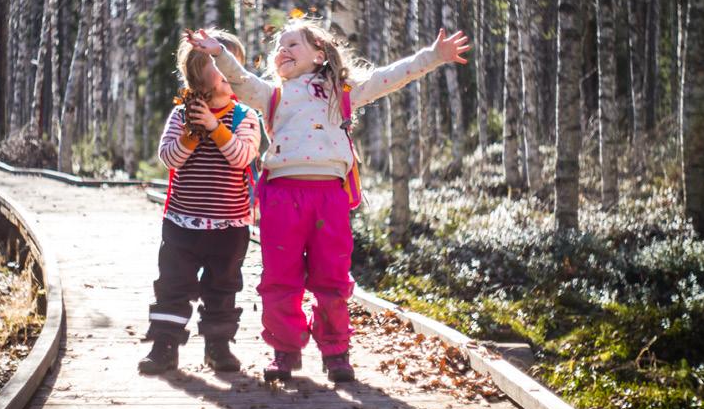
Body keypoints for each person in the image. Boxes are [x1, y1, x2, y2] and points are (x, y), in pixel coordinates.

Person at [187, 22, 469, 382]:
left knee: (332, 278)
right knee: (279, 278)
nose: (283, 50)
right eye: (279, 47)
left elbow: (388, 77)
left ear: (319, 55)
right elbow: (239, 78)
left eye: (293, 44)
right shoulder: (271, 94)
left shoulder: (340, 92)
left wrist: (433, 56)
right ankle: (285, 352)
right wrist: (218, 52)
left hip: (329, 199)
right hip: (282, 198)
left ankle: (336, 352)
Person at [138, 29, 262, 374]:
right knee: (173, 285)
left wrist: (216, 128)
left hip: (229, 226)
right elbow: (170, 159)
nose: (233, 69)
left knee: (222, 288)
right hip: (182, 222)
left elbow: (242, 157)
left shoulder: (244, 117)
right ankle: (164, 346)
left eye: (234, 62)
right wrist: (193, 135)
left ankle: (218, 347)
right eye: (224, 63)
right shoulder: (181, 115)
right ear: (200, 72)